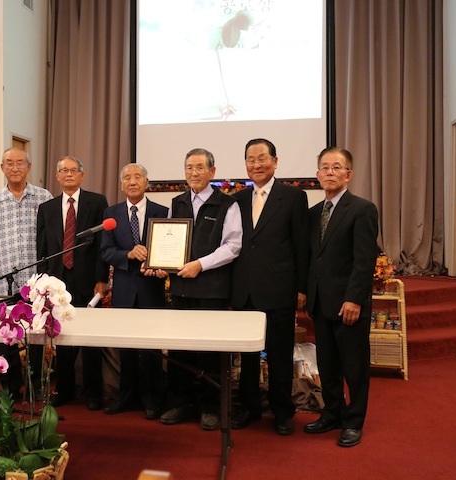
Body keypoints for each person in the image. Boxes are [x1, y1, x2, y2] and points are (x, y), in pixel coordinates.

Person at [158, 148, 243, 431]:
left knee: (209, 352)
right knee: (179, 351)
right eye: (189, 168)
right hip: (180, 289)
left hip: (211, 290)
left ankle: (210, 407)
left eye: (199, 167)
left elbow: (233, 246)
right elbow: (169, 240)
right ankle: (179, 403)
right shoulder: (177, 202)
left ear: (212, 172)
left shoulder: (227, 204)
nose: (193, 173)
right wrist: (162, 264)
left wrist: (200, 265)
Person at [230, 138, 310, 434]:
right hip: (245, 290)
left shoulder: (293, 197)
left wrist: (301, 288)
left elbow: (301, 245)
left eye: (262, 158)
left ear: (275, 162)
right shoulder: (238, 199)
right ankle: (250, 408)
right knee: (247, 357)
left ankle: (283, 412)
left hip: (279, 289)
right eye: (250, 160)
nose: (256, 165)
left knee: (279, 355)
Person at [304, 146, 379, 448]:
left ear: (348, 174)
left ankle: (354, 421)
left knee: (354, 367)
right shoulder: (313, 214)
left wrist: (355, 299)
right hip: (321, 302)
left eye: (336, 167)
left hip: (349, 304)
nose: (330, 172)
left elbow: (364, 260)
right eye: (325, 167)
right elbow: (313, 258)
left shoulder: (362, 209)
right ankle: (332, 413)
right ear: (317, 174)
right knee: (328, 365)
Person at [0, 147, 53, 394]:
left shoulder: (44, 197)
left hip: (36, 281)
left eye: (20, 163)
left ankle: (36, 384)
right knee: (6, 333)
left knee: (36, 333)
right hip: (3, 279)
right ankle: (10, 384)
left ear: (28, 167)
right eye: (9, 163)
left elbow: (53, 239)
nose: (15, 168)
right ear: (2, 168)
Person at [36, 155, 109, 410]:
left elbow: (102, 244)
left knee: (90, 340)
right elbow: (42, 248)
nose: (69, 174)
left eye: (73, 170)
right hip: (57, 282)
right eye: (64, 170)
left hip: (88, 281)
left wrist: (101, 279)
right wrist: (42, 281)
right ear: (57, 176)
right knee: (62, 338)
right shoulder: (46, 208)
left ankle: (93, 392)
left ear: (82, 175)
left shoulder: (96, 202)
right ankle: (65, 389)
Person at [100, 164, 168, 420]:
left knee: (151, 349)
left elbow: (169, 246)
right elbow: (106, 251)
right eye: (127, 178)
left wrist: (163, 265)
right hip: (124, 290)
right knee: (126, 349)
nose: (132, 181)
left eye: (137, 177)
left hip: (152, 288)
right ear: (121, 185)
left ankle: (153, 400)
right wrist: (128, 254)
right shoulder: (111, 214)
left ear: (147, 182)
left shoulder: (162, 211)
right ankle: (126, 396)